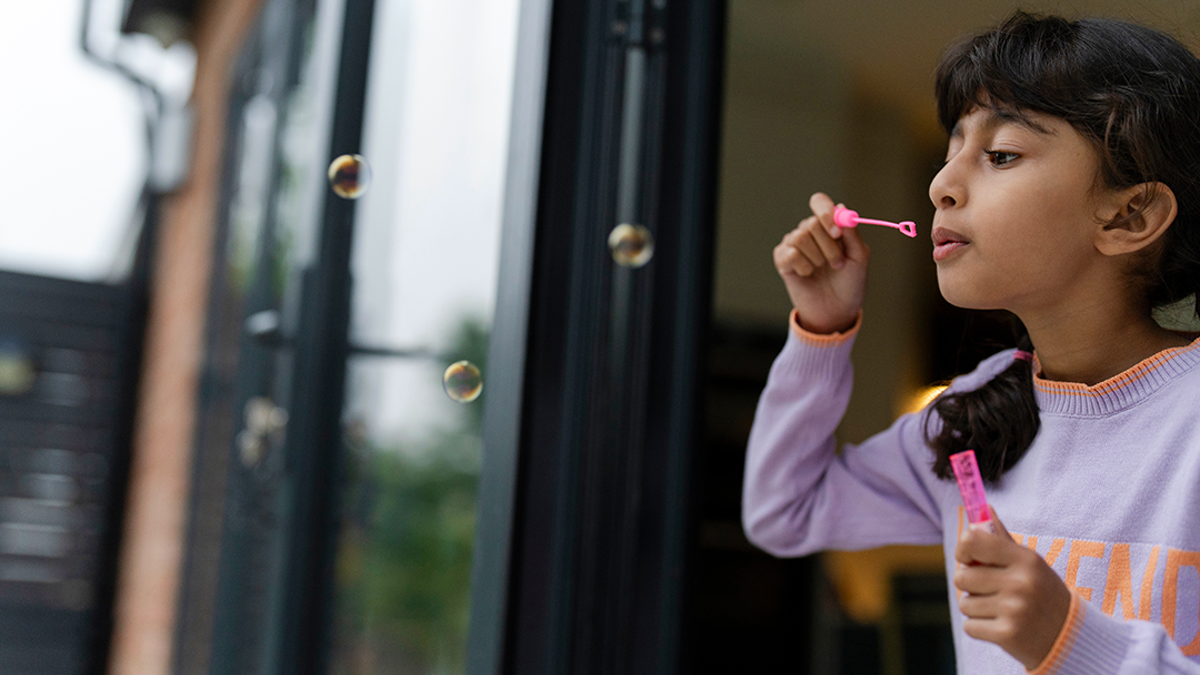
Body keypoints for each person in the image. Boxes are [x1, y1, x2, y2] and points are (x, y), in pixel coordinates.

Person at [742, 11, 1200, 674]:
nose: (939, 187)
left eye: (1001, 154)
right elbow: (784, 511)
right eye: (950, 151)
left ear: (1130, 215)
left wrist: (1066, 636)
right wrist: (821, 330)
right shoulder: (973, 413)